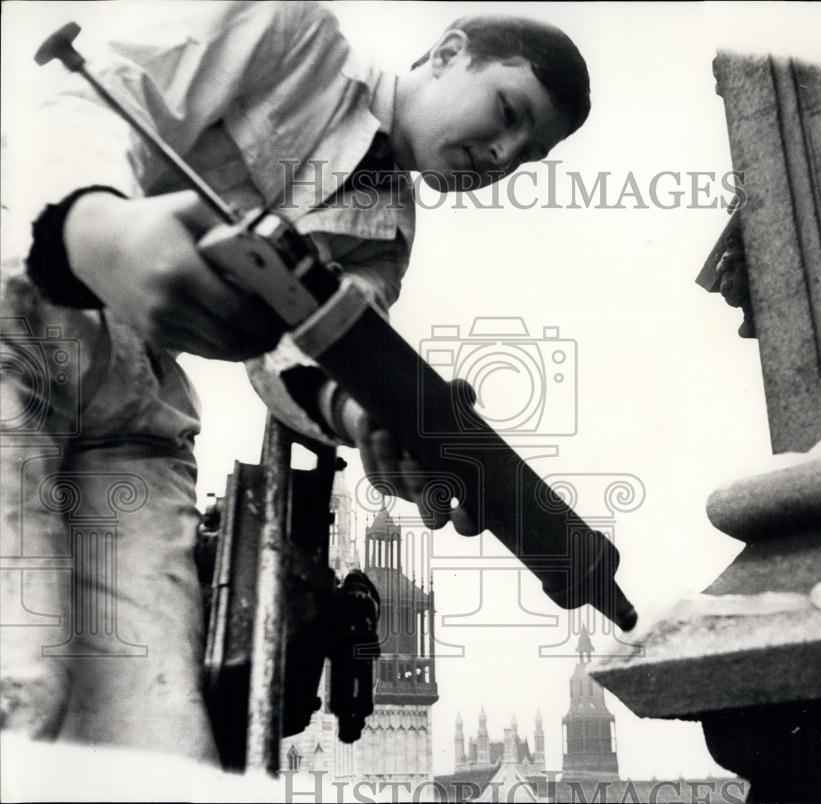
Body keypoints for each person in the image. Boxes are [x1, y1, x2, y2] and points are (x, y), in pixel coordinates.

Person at [0, 1, 590, 764]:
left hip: (138, 423)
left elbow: (294, 358)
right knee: (19, 680)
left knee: (156, 753)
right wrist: (92, 227)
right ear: (448, 54)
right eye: (508, 110)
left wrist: (363, 416)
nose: (501, 153)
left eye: (525, 153)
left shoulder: (388, 233)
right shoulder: (289, 30)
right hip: (18, 328)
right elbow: (89, 97)